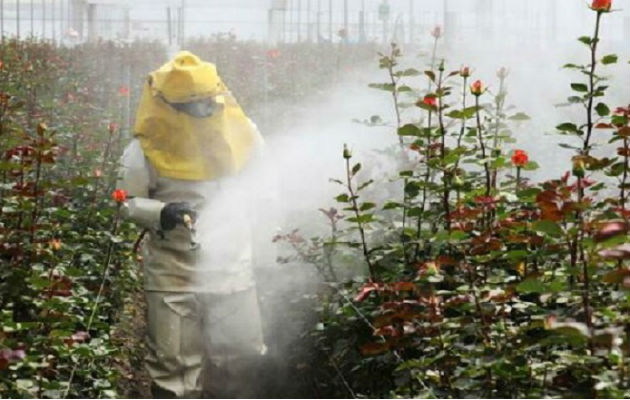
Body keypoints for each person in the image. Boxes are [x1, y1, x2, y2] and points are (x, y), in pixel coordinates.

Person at [116, 51, 267, 398]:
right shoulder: (144, 149)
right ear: (167, 105)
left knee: (240, 354)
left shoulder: (244, 134)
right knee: (175, 365)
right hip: (173, 269)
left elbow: (264, 181)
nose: (200, 111)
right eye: (189, 105)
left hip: (231, 263)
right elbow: (127, 201)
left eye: (204, 102)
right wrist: (161, 212)